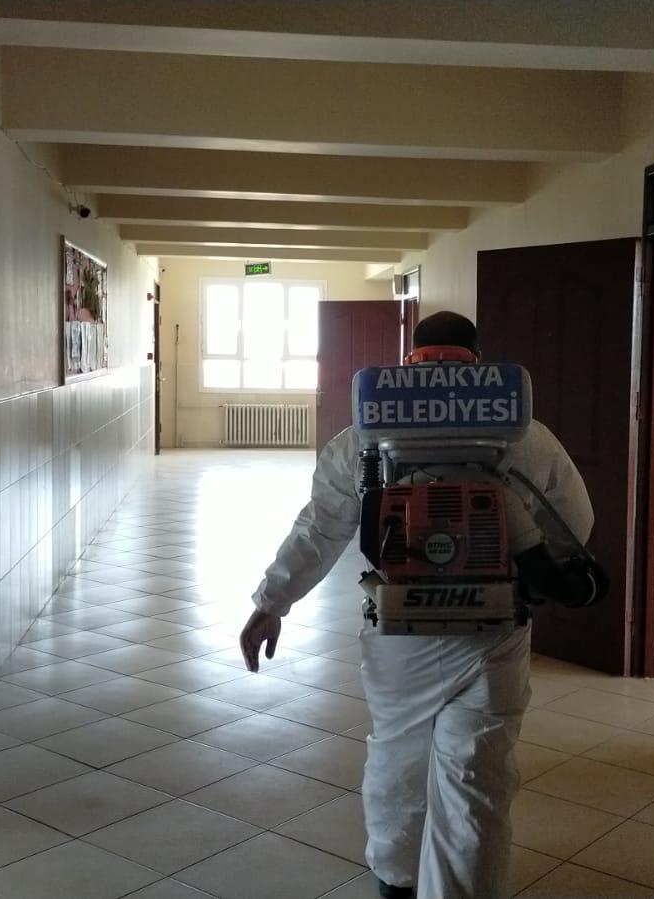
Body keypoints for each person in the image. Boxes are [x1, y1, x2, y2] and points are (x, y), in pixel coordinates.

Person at [239, 311, 595, 899]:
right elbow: (576, 528)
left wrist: (272, 601)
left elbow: (321, 528)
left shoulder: (362, 436)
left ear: (411, 361)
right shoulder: (526, 435)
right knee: (477, 778)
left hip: (399, 629)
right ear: (477, 364)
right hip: (492, 630)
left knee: (398, 761)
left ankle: (398, 882)